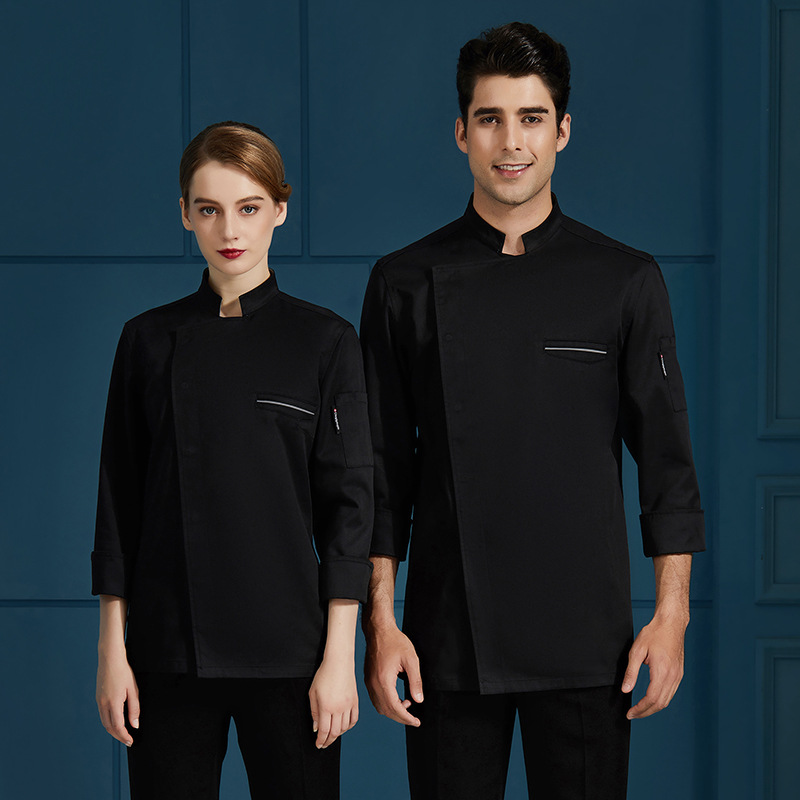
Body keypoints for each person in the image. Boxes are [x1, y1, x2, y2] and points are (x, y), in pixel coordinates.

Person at [359, 22, 705, 800]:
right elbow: (379, 473)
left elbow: (668, 464)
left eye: (531, 118)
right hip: (448, 643)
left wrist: (672, 616)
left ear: (562, 131)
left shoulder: (626, 280)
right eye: (490, 118)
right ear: (461, 133)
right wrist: (381, 623)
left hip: (590, 645)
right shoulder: (402, 282)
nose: (511, 142)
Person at [92, 121, 373, 800]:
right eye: (209, 209)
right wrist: (112, 652)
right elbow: (118, 503)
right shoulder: (146, 340)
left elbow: (350, 508)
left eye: (248, 208)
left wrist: (340, 657)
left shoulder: (325, 341)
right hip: (168, 651)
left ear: (280, 209)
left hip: (291, 653)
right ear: (184, 214)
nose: (229, 230)